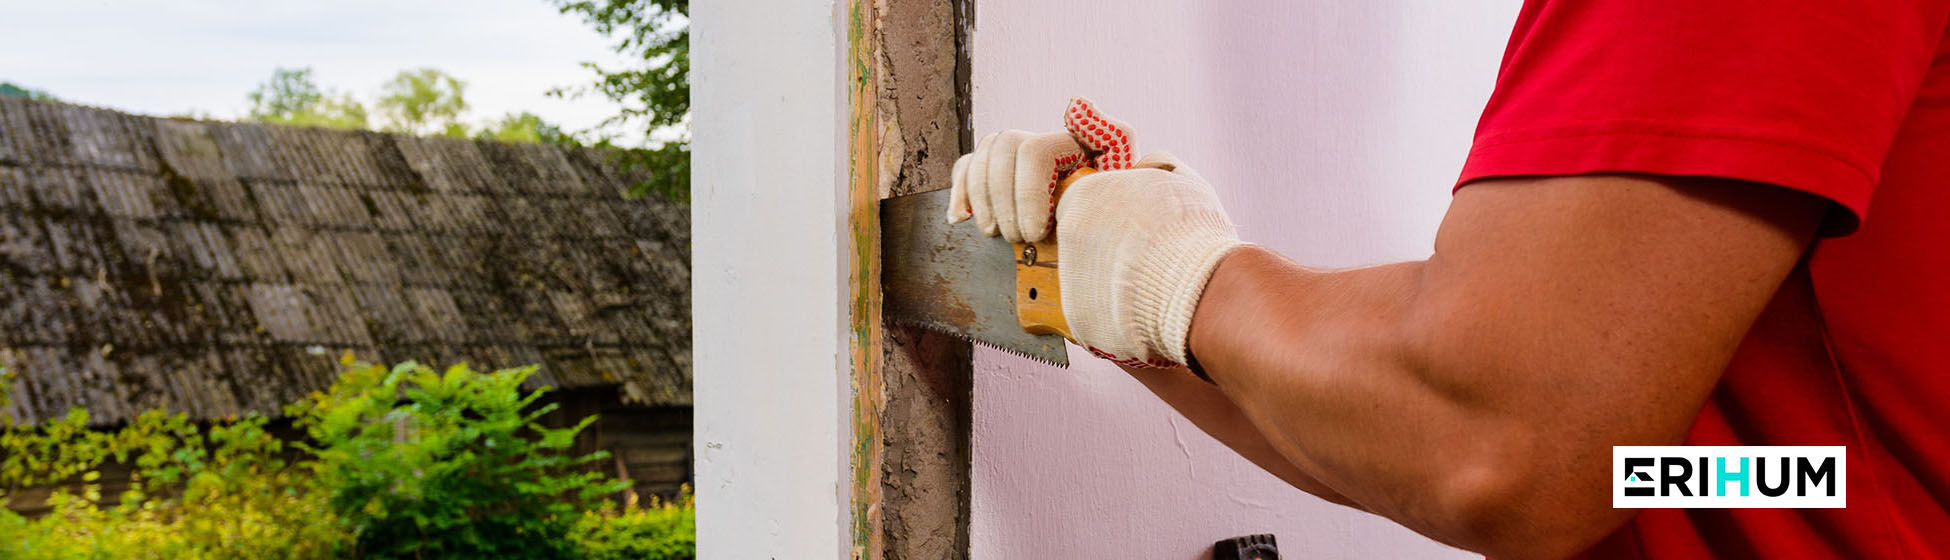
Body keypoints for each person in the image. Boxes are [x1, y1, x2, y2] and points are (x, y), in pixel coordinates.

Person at [947, 2, 1950, 558]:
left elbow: (1496, 441)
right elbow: (1608, 458)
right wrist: (1113, 283)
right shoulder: (1787, 472)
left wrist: (1177, 276)